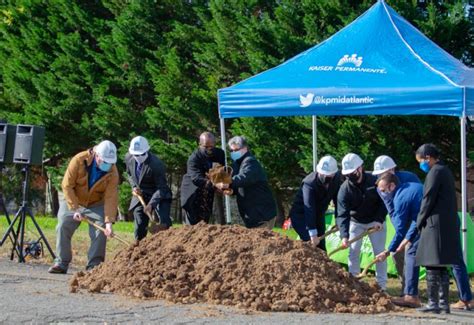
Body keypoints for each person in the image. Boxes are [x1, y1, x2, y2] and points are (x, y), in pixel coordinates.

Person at [415, 144, 471, 313]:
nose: (421, 165)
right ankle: (443, 303)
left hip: (435, 224)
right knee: (441, 264)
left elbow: (428, 199)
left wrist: (419, 220)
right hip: (446, 223)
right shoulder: (444, 170)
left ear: (428, 157)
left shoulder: (435, 172)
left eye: (420, 161)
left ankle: (434, 303)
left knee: (432, 264)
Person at [48, 140, 119, 274]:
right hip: (74, 200)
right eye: (105, 161)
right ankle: (61, 262)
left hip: (96, 204)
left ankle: (94, 266)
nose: (107, 165)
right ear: (97, 155)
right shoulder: (79, 160)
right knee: (63, 224)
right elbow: (67, 185)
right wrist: (75, 208)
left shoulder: (113, 171)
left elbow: (111, 197)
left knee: (101, 230)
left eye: (110, 163)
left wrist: (109, 222)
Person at [336, 153, 387, 290]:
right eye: (347, 174)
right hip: (356, 222)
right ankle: (354, 283)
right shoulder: (344, 189)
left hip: (375, 222)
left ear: (360, 168)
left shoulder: (374, 181)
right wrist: (344, 236)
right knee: (353, 251)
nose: (350, 176)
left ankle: (381, 286)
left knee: (380, 253)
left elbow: (384, 203)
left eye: (352, 173)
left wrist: (379, 220)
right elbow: (342, 214)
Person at [372, 155, 421, 296]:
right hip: (402, 223)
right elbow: (391, 210)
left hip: (418, 220)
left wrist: (406, 233)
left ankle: (413, 293)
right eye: (379, 174)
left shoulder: (409, 178)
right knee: (397, 253)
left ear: (393, 169)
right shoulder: (381, 187)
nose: (381, 176)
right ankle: (406, 289)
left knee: (413, 252)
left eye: (383, 173)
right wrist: (401, 233)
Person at [216, 136, 276, 229]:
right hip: (252, 214)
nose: (233, 153)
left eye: (236, 150)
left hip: (262, 214)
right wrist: (232, 191)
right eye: (231, 151)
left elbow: (244, 178)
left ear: (245, 148)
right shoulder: (237, 164)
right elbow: (240, 185)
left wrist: (227, 183)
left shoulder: (250, 162)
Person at [125, 136, 172, 240]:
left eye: (141, 154)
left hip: (160, 195)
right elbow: (129, 174)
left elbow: (162, 188)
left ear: (147, 151)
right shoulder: (128, 158)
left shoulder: (156, 164)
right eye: (135, 154)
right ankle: (139, 247)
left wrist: (151, 204)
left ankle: (167, 246)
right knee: (140, 224)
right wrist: (134, 187)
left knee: (164, 223)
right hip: (141, 194)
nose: (138, 157)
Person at [289, 155, 341, 250]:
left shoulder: (337, 178)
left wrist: (338, 220)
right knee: (310, 244)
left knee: (321, 245)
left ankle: (324, 264)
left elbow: (337, 200)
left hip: (319, 214)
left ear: (334, 173)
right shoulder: (309, 184)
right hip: (302, 216)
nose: (325, 177)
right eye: (322, 174)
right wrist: (312, 234)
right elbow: (309, 208)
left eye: (328, 175)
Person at [180, 132, 225, 225]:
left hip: (208, 190)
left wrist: (222, 186)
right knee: (192, 222)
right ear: (200, 145)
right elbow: (196, 178)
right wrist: (214, 184)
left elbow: (221, 171)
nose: (209, 150)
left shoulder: (219, 154)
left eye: (211, 147)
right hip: (192, 190)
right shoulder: (194, 158)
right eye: (206, 147)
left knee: (205, 217)